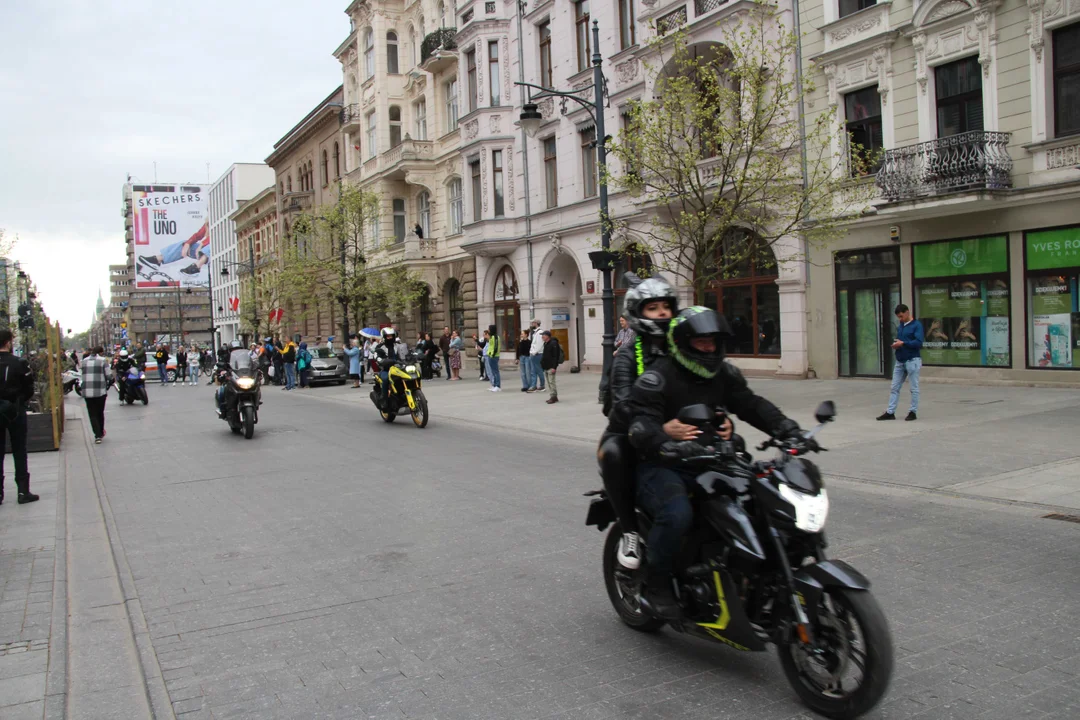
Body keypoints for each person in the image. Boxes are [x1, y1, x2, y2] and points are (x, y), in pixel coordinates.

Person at [627, 307, 805, 619]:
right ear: (684, 342)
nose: (709, 348)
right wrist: (664, 440)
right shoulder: (658, 377)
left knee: (761, 503)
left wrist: (786, 428)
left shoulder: (723, 373)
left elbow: (750, 404)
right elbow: (641, 425)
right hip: (663, 465)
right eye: (702, 342)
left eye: (713, 342)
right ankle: (657, 586)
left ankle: (755, 576)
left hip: (713, 460)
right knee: (676, 513)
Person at [598, 272, 679, 570]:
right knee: (614, 453)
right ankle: (630, 530)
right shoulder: (628, 356)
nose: (661, 313)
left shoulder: (681, 350)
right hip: (631, 436)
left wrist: (721, 418)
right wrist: (658, 427)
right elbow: (620, 405)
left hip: (678, 434)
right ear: (638, 312)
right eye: (653, 307)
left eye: (665, 307)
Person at [0, 329, 38, 504]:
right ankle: (23, 491)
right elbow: (29, 388)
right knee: (19, 449)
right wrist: (20, 401)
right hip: (15, 410)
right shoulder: (20, 363)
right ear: (8, 342)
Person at [878, 304, 924, 421]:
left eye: (902, 316)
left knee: (914, 387)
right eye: (898, 317)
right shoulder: (901, 326)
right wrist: (897, 344)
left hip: (912, 360)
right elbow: (902, 340)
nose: (900, 319)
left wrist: (903, 343)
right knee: (894, 387)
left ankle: (913, 411)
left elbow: (918, 342)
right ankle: (890, 411)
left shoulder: (917, 325)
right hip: (900, 360)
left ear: (907, 312)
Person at [139, 222, 210, 276]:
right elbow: (198, 235)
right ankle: (158, 259)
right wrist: (187, 243)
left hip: (216, 250)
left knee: (211, 247)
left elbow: (217, 236)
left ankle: (196, 267)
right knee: (184, 243)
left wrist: (202, 244)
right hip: (203, 251)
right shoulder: (208, 222)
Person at [81, 346, 111, 444]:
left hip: (87, 392)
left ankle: (97, 435)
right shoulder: (103, 361)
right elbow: (109, 376)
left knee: (92, 414)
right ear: (101, 352)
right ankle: (101, 431)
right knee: (100, 412)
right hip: (100, 392)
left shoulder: (84, 361)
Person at [374, 327, 408, 408]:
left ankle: (416, 396)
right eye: (388, 336)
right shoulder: (380, 347)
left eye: (391, 336)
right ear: (384, 337)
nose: (390, 338)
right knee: (385, 379)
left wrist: (412, 356)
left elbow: (406, 353)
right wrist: (381, 360)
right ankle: (384, 400)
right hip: (386, 369)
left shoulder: (398, 345)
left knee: (410, 375)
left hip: (399, 368)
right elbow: (377, 356)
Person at [540, 330, 561, 404]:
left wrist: (554, 367)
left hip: (551, 367)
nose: (542, 336)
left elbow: (555, 356)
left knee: (552, 382)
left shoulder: (553, 344)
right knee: (549, 382)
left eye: (543, 335)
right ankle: (553, 396)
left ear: (547, 336)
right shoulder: (546, 343)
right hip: (546, 366)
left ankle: (553, 397)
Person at [528, 319, 546, 393]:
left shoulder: (539, 332)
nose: (531, 324)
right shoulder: (535, 332)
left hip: (537, 354)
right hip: (534, 354)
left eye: (533, 323)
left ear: (536, 323)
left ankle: (542, 385)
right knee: (533, 371)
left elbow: (539, 344)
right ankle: (533, 385)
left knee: (539, 370)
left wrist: (534, 352)